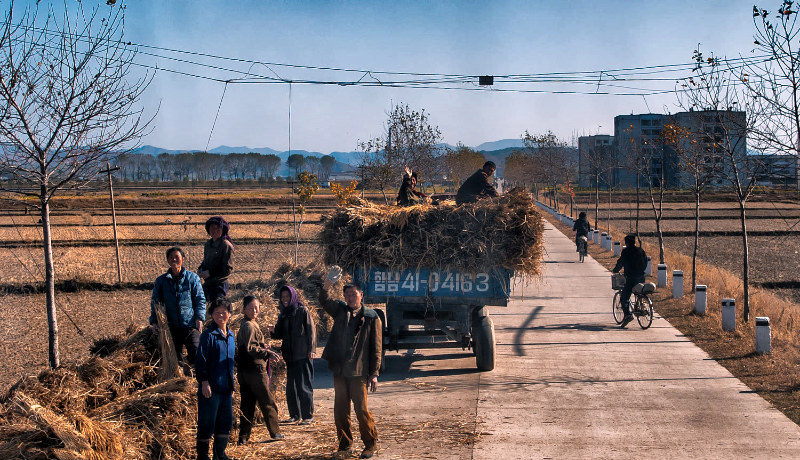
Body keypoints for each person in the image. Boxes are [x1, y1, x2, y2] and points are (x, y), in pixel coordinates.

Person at [319, 275, 382, 459]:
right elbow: (324, 300)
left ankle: (370, 444)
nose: (350, 298)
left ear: (361, 295)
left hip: (359, 372)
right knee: (340, 410)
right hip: (340, 371)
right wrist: (327, 285)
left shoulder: (371, 317)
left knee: (361, 410)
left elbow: (376, 349)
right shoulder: (339, 311)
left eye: (353, 294)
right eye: (347, 295)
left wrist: (374, 373)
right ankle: (345, 445)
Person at [236, 295, 284, 445]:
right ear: (244, 309)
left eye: (256, 307)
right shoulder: (249, 326)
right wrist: (266, 352)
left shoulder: (248, 324)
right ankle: (275, 432)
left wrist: (263, 346)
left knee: (247, 404)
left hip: (244, 371)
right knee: (267, 401)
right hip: (255, 370)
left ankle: (243, 437)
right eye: (251, 308)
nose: (254, 310)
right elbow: (250, 348)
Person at [195, 298, 236, 460]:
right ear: (211, 315)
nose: (220, 315)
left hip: (226, 388)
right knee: (207, 422)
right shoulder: (208, 336)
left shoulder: (231, 336)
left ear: (230, 314)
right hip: (211, 388)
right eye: (216, 313)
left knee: (225, 421)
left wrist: (232, 386)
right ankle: (203, 455)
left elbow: (232, 364)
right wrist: (204, 382)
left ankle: (220, 453)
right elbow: (200, 361)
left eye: (224, 312)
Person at [150, 246, 206, 364]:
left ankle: (197, 378)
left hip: (190, 325)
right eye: (171, 257)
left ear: (183, 259)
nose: (174, 260)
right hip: (171, 326)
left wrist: (199, 318)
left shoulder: (192, 278)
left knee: (196, 351)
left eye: (177, 257)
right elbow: (155, 302)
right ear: (168, 260)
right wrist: (154, 321)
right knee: (176, 358)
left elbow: (199, 299)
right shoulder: (161, 281)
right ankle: (179, 379)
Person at [272, 285, 317, 425]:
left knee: (303, 385)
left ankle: (308, 415)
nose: (285, 299)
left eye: (287, 296)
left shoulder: (302, 311)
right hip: (289, 356)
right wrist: (271, 331)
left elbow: (311, 331)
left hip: (303, 354)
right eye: (283, 297)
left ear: (293, 296)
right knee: (291, 387)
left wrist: (312, 349)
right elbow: (279, 334)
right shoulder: (284, 314)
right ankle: (294, 414)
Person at [612, 234, 648, 328]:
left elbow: (621, 262)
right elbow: (645, 262)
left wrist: (615, 270)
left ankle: (628, 315)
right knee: (639, 292)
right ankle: (641, 306)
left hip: (631, 277)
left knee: (624, 297)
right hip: (641, 276)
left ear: (627, 243)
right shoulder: (641, 250)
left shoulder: (626, 251)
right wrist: (641, 271)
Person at [198, 216, 234, 305]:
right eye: (212, 227)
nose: (214, 230)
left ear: (223, 229)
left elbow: (227, 269)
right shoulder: (208, 244)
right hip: (208, 283)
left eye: (217, 228)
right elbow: (205, 261)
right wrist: (201, 269)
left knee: (218, 308)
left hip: (219, 284)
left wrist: (210, 273)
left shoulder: (226, 245)